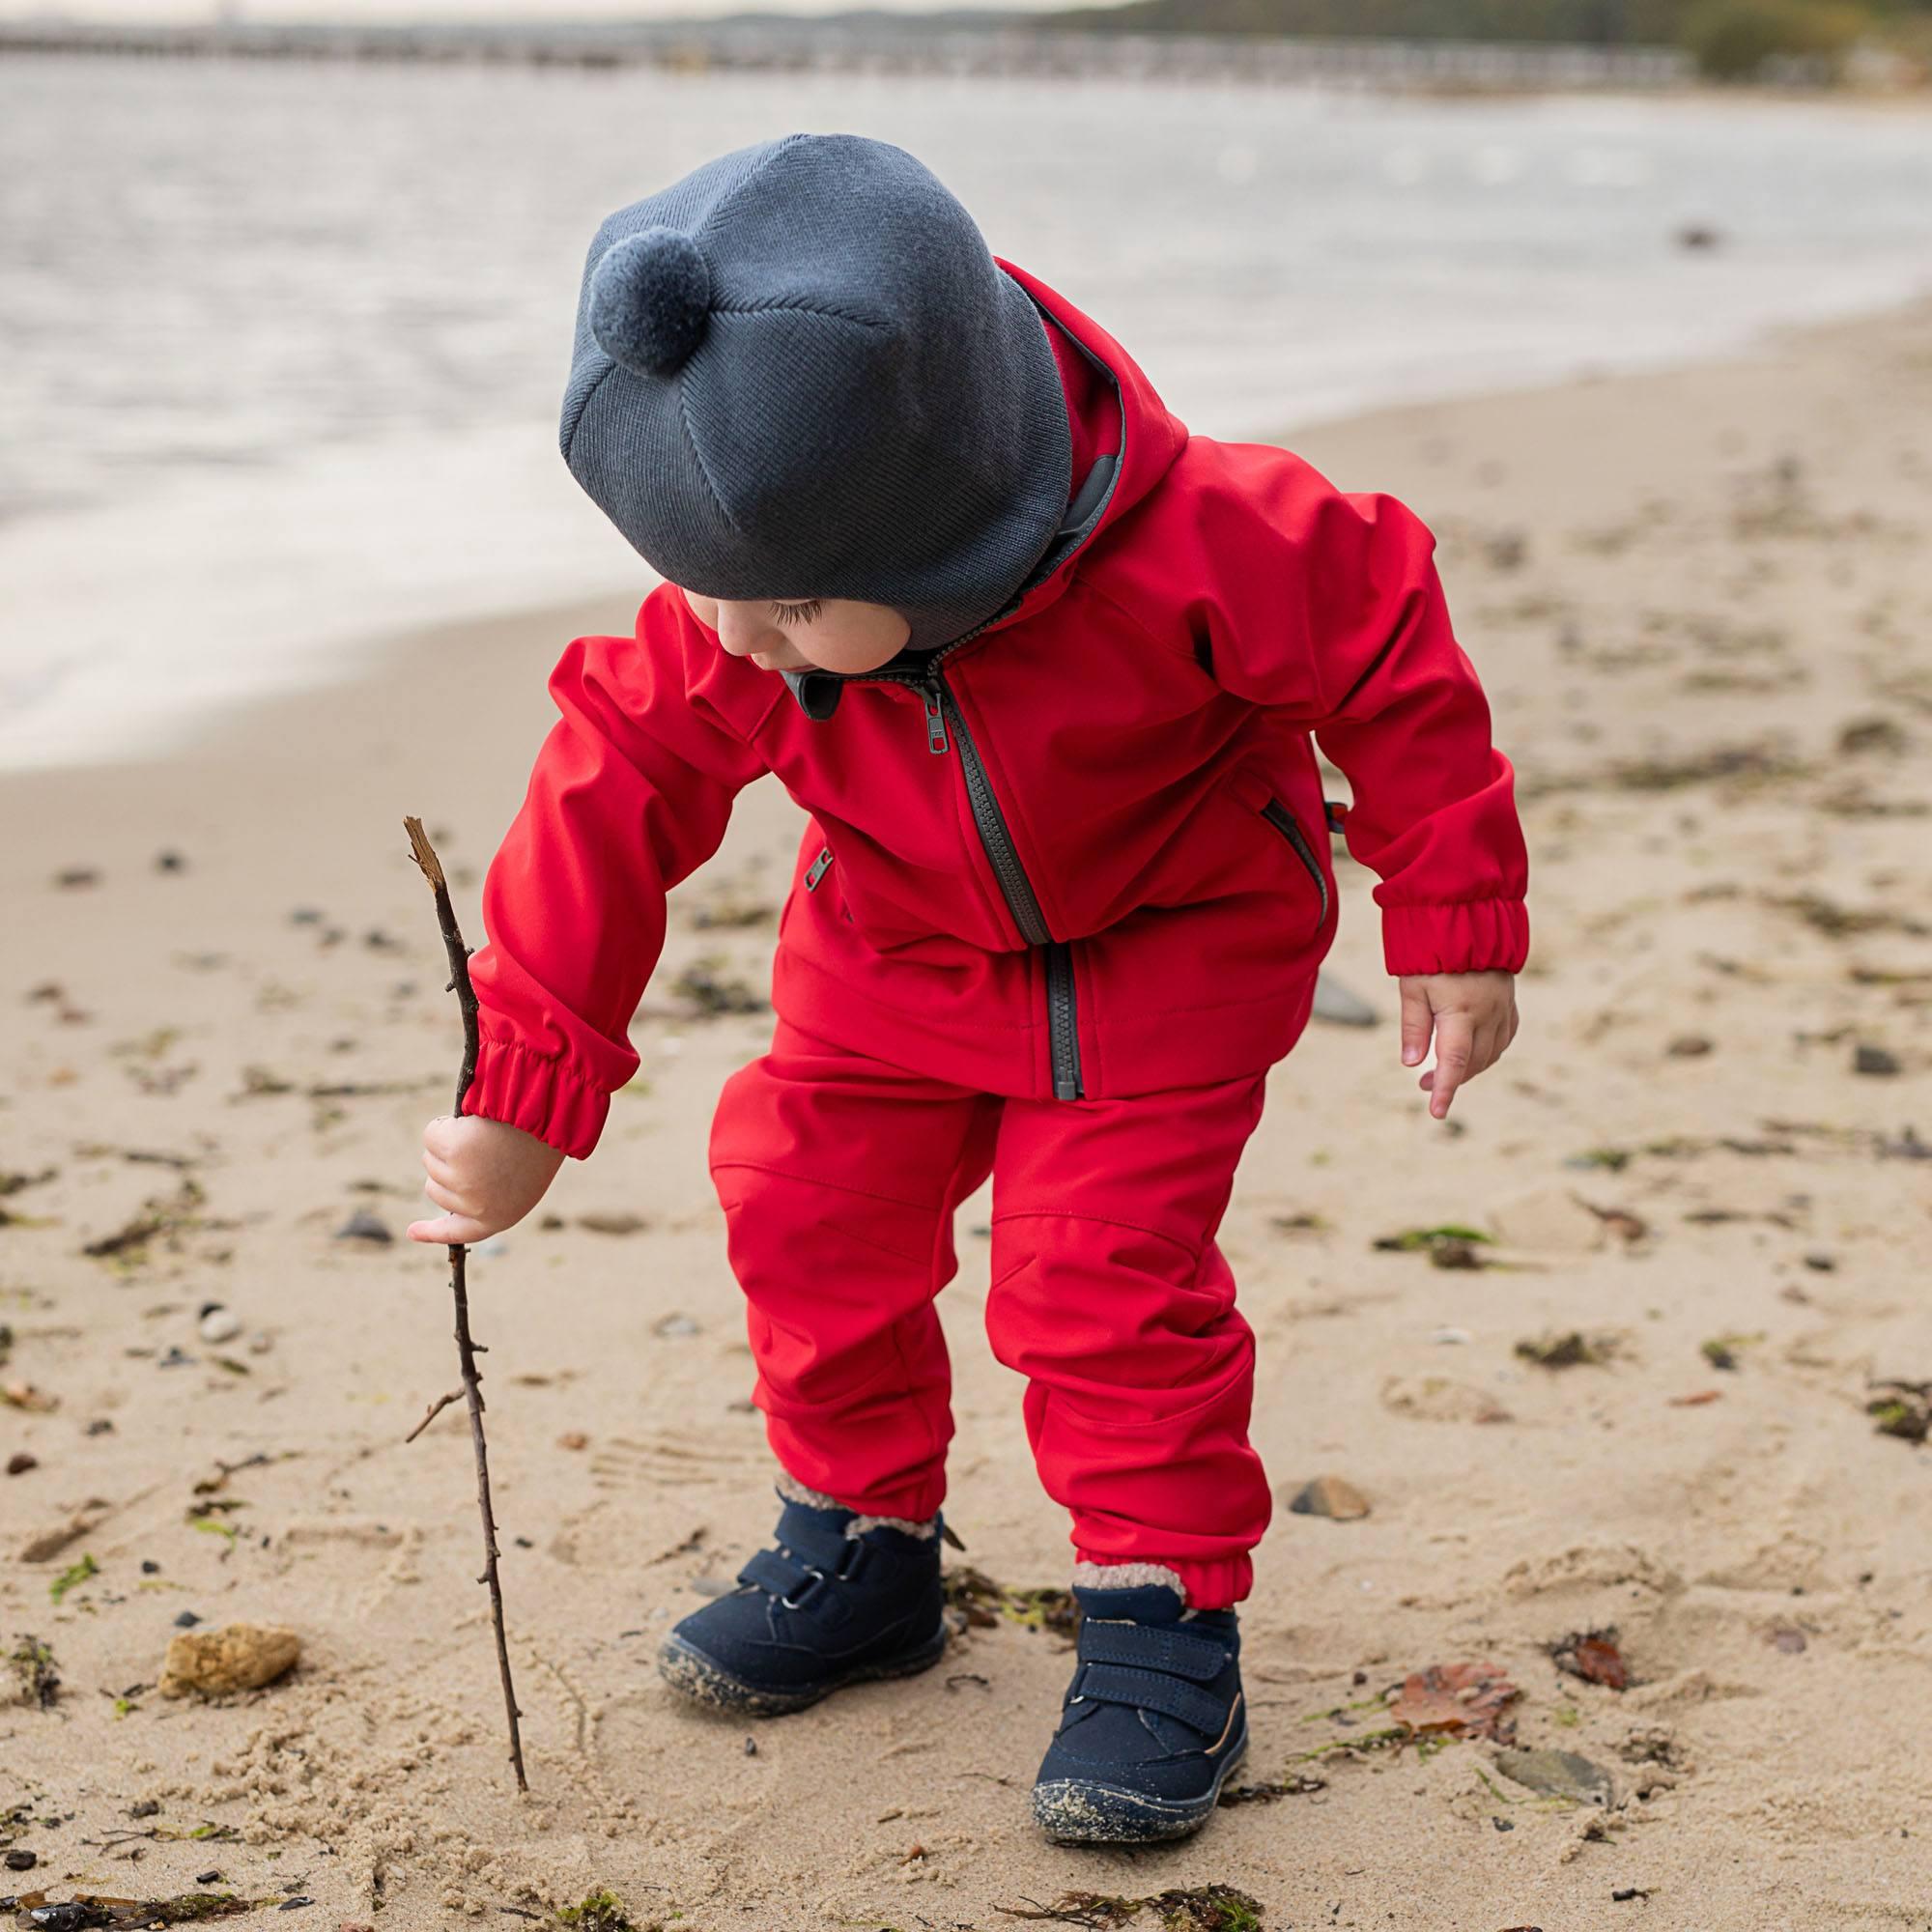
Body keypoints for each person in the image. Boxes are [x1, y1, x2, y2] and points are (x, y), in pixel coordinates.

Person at [408, 133, 1527, 1845]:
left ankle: (1161, 1618)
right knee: (800, 1201)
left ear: (952, 541)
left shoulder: (1215, 539)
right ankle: (859, 1544)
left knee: (1097, 1282)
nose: (737, 642)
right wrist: (523, 1090)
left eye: (784, 608)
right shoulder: (750, 610)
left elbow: (1384, 635)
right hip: (894, 953)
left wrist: (1450, 903)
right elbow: (608, 792)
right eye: (705, 590)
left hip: (1175, 949)